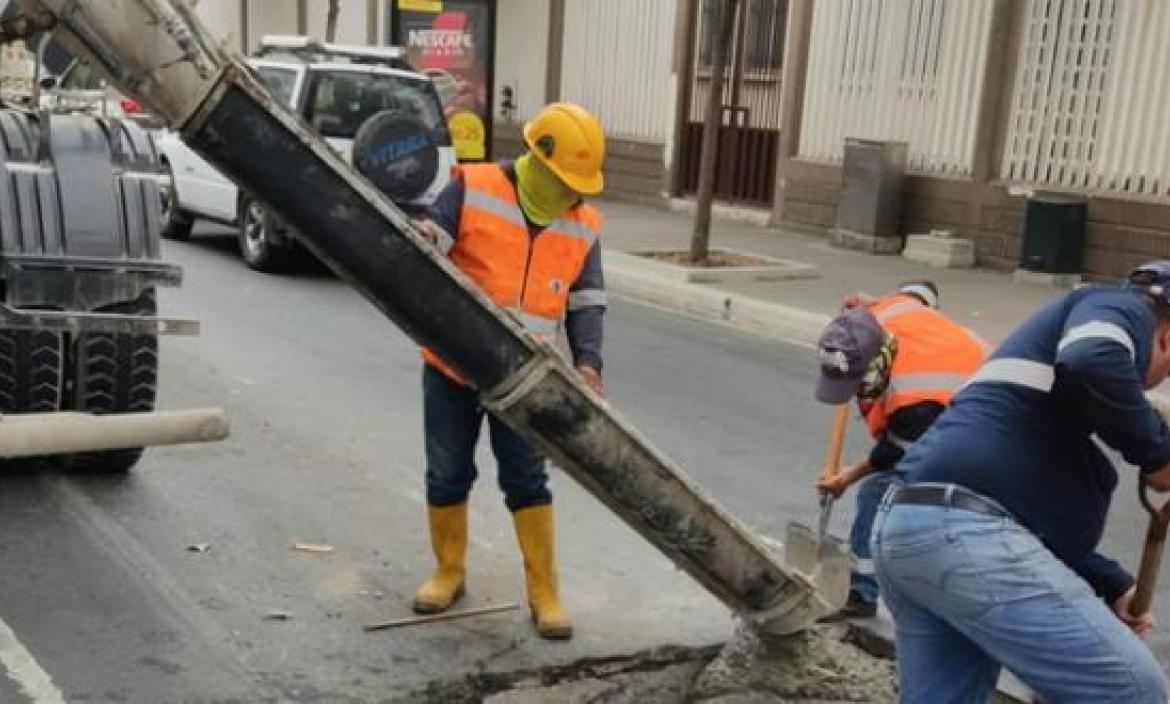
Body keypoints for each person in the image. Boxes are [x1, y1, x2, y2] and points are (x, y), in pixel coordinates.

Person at [872, 262, 1170, 703]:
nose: (1158, 380)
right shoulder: (1119, 306)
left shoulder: (1023, 404)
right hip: (961, 534)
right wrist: (1158, 454)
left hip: (912, 531)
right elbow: (1094, 356)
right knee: (1133, 691)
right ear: (1165, 337)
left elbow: (1014, 508)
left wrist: (1111, 582)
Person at [410, 102, 608, 641]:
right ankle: (448, 571)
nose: (574, 193)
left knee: (526, 478)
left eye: (579, 184)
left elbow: (587, 301)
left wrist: (588, 362)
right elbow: (434, 237)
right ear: (537, 161)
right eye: (566, 180)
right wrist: (427, 237)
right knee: (447, 472)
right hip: (453, 366)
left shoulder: (583, 224)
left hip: (526, 381)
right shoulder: (471, 187)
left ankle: (544, 591)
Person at [813, 281, 986, 620]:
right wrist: (860, 308)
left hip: (984, 429)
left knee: (881, 493)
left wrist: (847, 476)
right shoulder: (872, 320)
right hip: (959, 412)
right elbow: (922, 290)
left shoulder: (914, 398)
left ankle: (863, 592)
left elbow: (896, 452)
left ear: (876, 367)